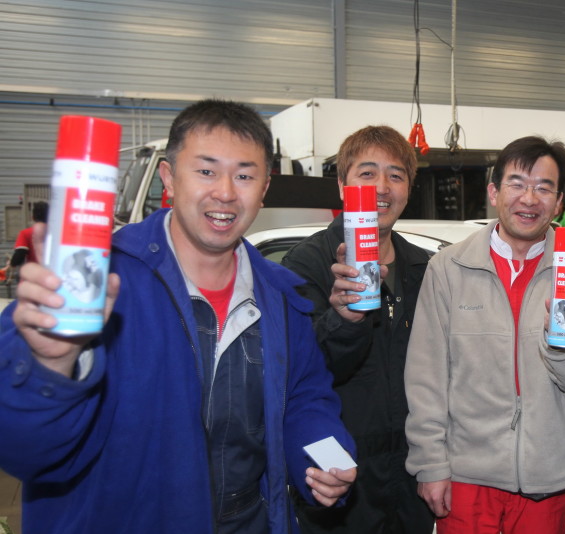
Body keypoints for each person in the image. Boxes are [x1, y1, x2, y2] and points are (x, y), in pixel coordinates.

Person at [0, 100, 357, 534]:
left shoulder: (281, 298)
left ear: (265, 189)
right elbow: (24, 451)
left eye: (244, 175)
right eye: (206, 171)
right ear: (169, 178)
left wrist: (324, 456)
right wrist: (53, 366)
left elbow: (304, 397)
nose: (225, 192)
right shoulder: (93, 282)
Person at [404, 136, 565, 534]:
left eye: (544, 187)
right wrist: (430, 463)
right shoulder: (449, 268)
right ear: (494, 192)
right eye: (517, 183)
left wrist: (562, 337)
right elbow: (426, 377)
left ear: (559, 201)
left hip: (547, 475)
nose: (530, 198)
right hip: (466, 476)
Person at [282, 125, 434, 534]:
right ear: (343, 186)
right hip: (340, 476)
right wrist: (342, 320)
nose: (382, 187)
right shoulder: (306, 265)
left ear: (408, 189)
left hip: (411, 479)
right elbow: (300, 373)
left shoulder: (426, 269)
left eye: (396, 175)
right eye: (367, 173)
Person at [5, 201, 47, 277]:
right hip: (53, 275)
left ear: (33, 217)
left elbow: (20, 255)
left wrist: (12, 263)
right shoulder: (58, 234)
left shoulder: (25, 233)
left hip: (34, 276)